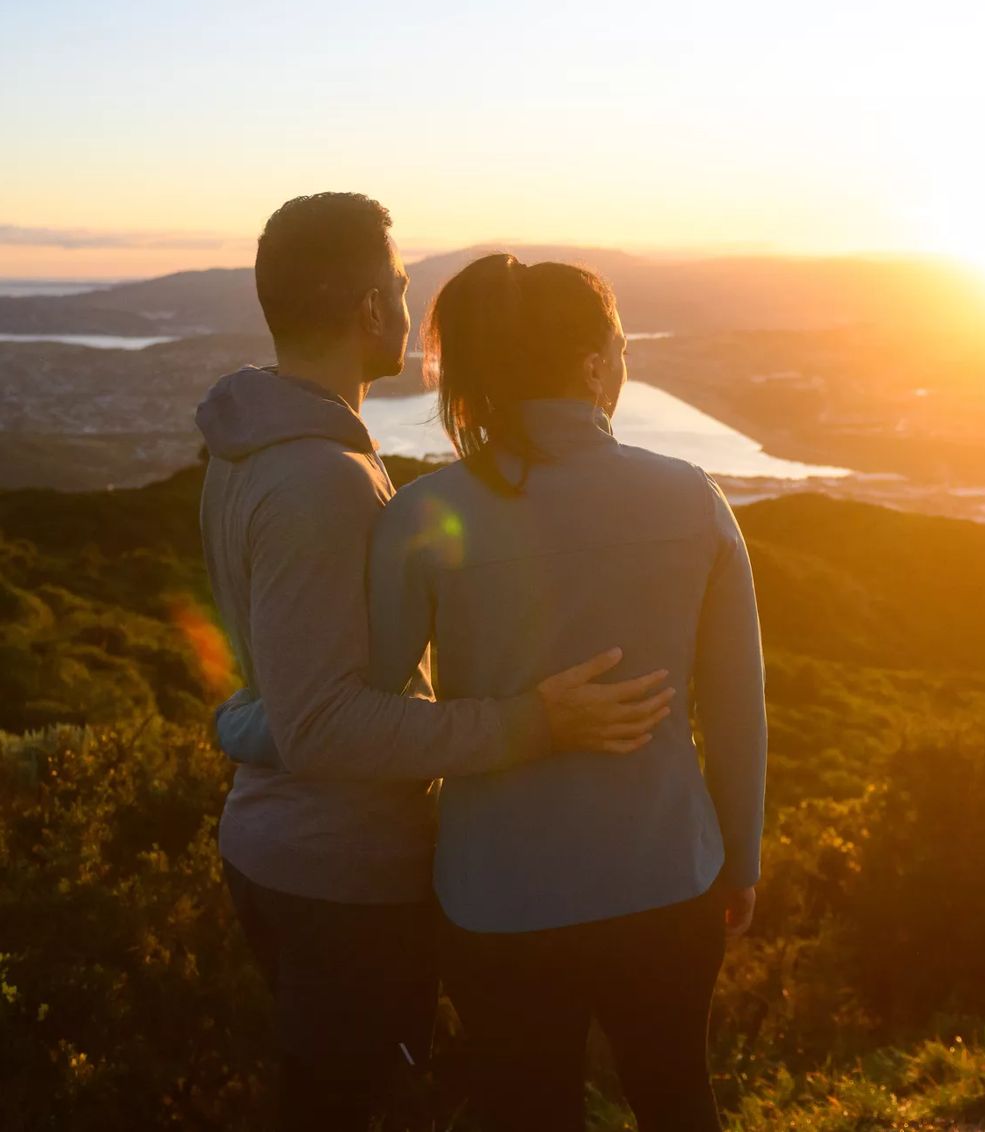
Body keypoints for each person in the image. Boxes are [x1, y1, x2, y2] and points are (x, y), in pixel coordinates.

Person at [200, 193, 674, 1132]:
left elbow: (287, 691)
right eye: (403, 286)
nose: (412, 311)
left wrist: (235, 719)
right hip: (337, 871)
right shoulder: (318, 482)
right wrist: (532, 722)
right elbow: (324, 722)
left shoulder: (251, 446)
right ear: (370, 307)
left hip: (279, 847)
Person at [364, 253, 767, 1132]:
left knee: (525, 1113)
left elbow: (372, 712)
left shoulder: (425, 515)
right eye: (620, 348)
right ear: (593, 365)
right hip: (669, 876)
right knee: (677, 1100)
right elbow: (736, 706)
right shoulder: (691, 499)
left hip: (493, 896)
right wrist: (741, 859)